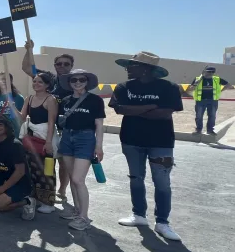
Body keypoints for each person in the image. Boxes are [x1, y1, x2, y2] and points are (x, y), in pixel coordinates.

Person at [111, 52, 184, 241]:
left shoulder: (169, 87)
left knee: (162, 182)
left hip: (161, 143)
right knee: (136, 178)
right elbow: (119, 109)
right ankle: (139, 215)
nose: (127, 69)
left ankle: (162, 222)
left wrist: (134, 111)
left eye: (131, 66)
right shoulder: (123, 87)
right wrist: (150, 106)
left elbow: (165, 114)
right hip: (131, 140)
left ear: (145, 69)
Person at [56, 68, 104, 231]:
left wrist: (99, 146)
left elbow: (99, 124)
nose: (77, 83)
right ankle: (77, 210)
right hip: (67, 137)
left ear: (87, 82)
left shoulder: (95, 100)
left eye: (81, 80)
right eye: (74, 80)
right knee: (71, 176)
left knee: (78, 179)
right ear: (69, 83)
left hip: (86, 138)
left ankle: (84, 217)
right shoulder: (66, 100)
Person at [18, 72, 59, 213]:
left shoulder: (50, 99)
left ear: (48, 85)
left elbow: (52, 123)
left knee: (47, 171)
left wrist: (48, 143)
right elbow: (22, 118)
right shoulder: (28, 98)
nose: (36, 84)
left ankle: (48, 202)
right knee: (33, 169)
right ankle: (34, 197)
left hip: (46, 138)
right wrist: (11, 106)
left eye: (40, 82)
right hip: (32, 138)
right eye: (34, 81)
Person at [187, 65, 231, 135]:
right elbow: (190, 89)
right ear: (204, 71)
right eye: (208, 71)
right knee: (199, 116)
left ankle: (210, 130)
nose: (210, 73)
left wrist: (220, 91)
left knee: (212, 116)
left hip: (213, 101)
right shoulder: (197, 79)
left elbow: (228, 85)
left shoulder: (217, 79)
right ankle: (198, 130)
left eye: (212, 72)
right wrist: (196, 84)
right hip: (200, 101)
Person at [0, 72, 25, 137]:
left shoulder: (19, 98)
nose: (4, 81)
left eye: (6, 79)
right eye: (2, 79)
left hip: (14, 131)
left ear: (11, 81)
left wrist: (13, 108)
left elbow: (22, 118)